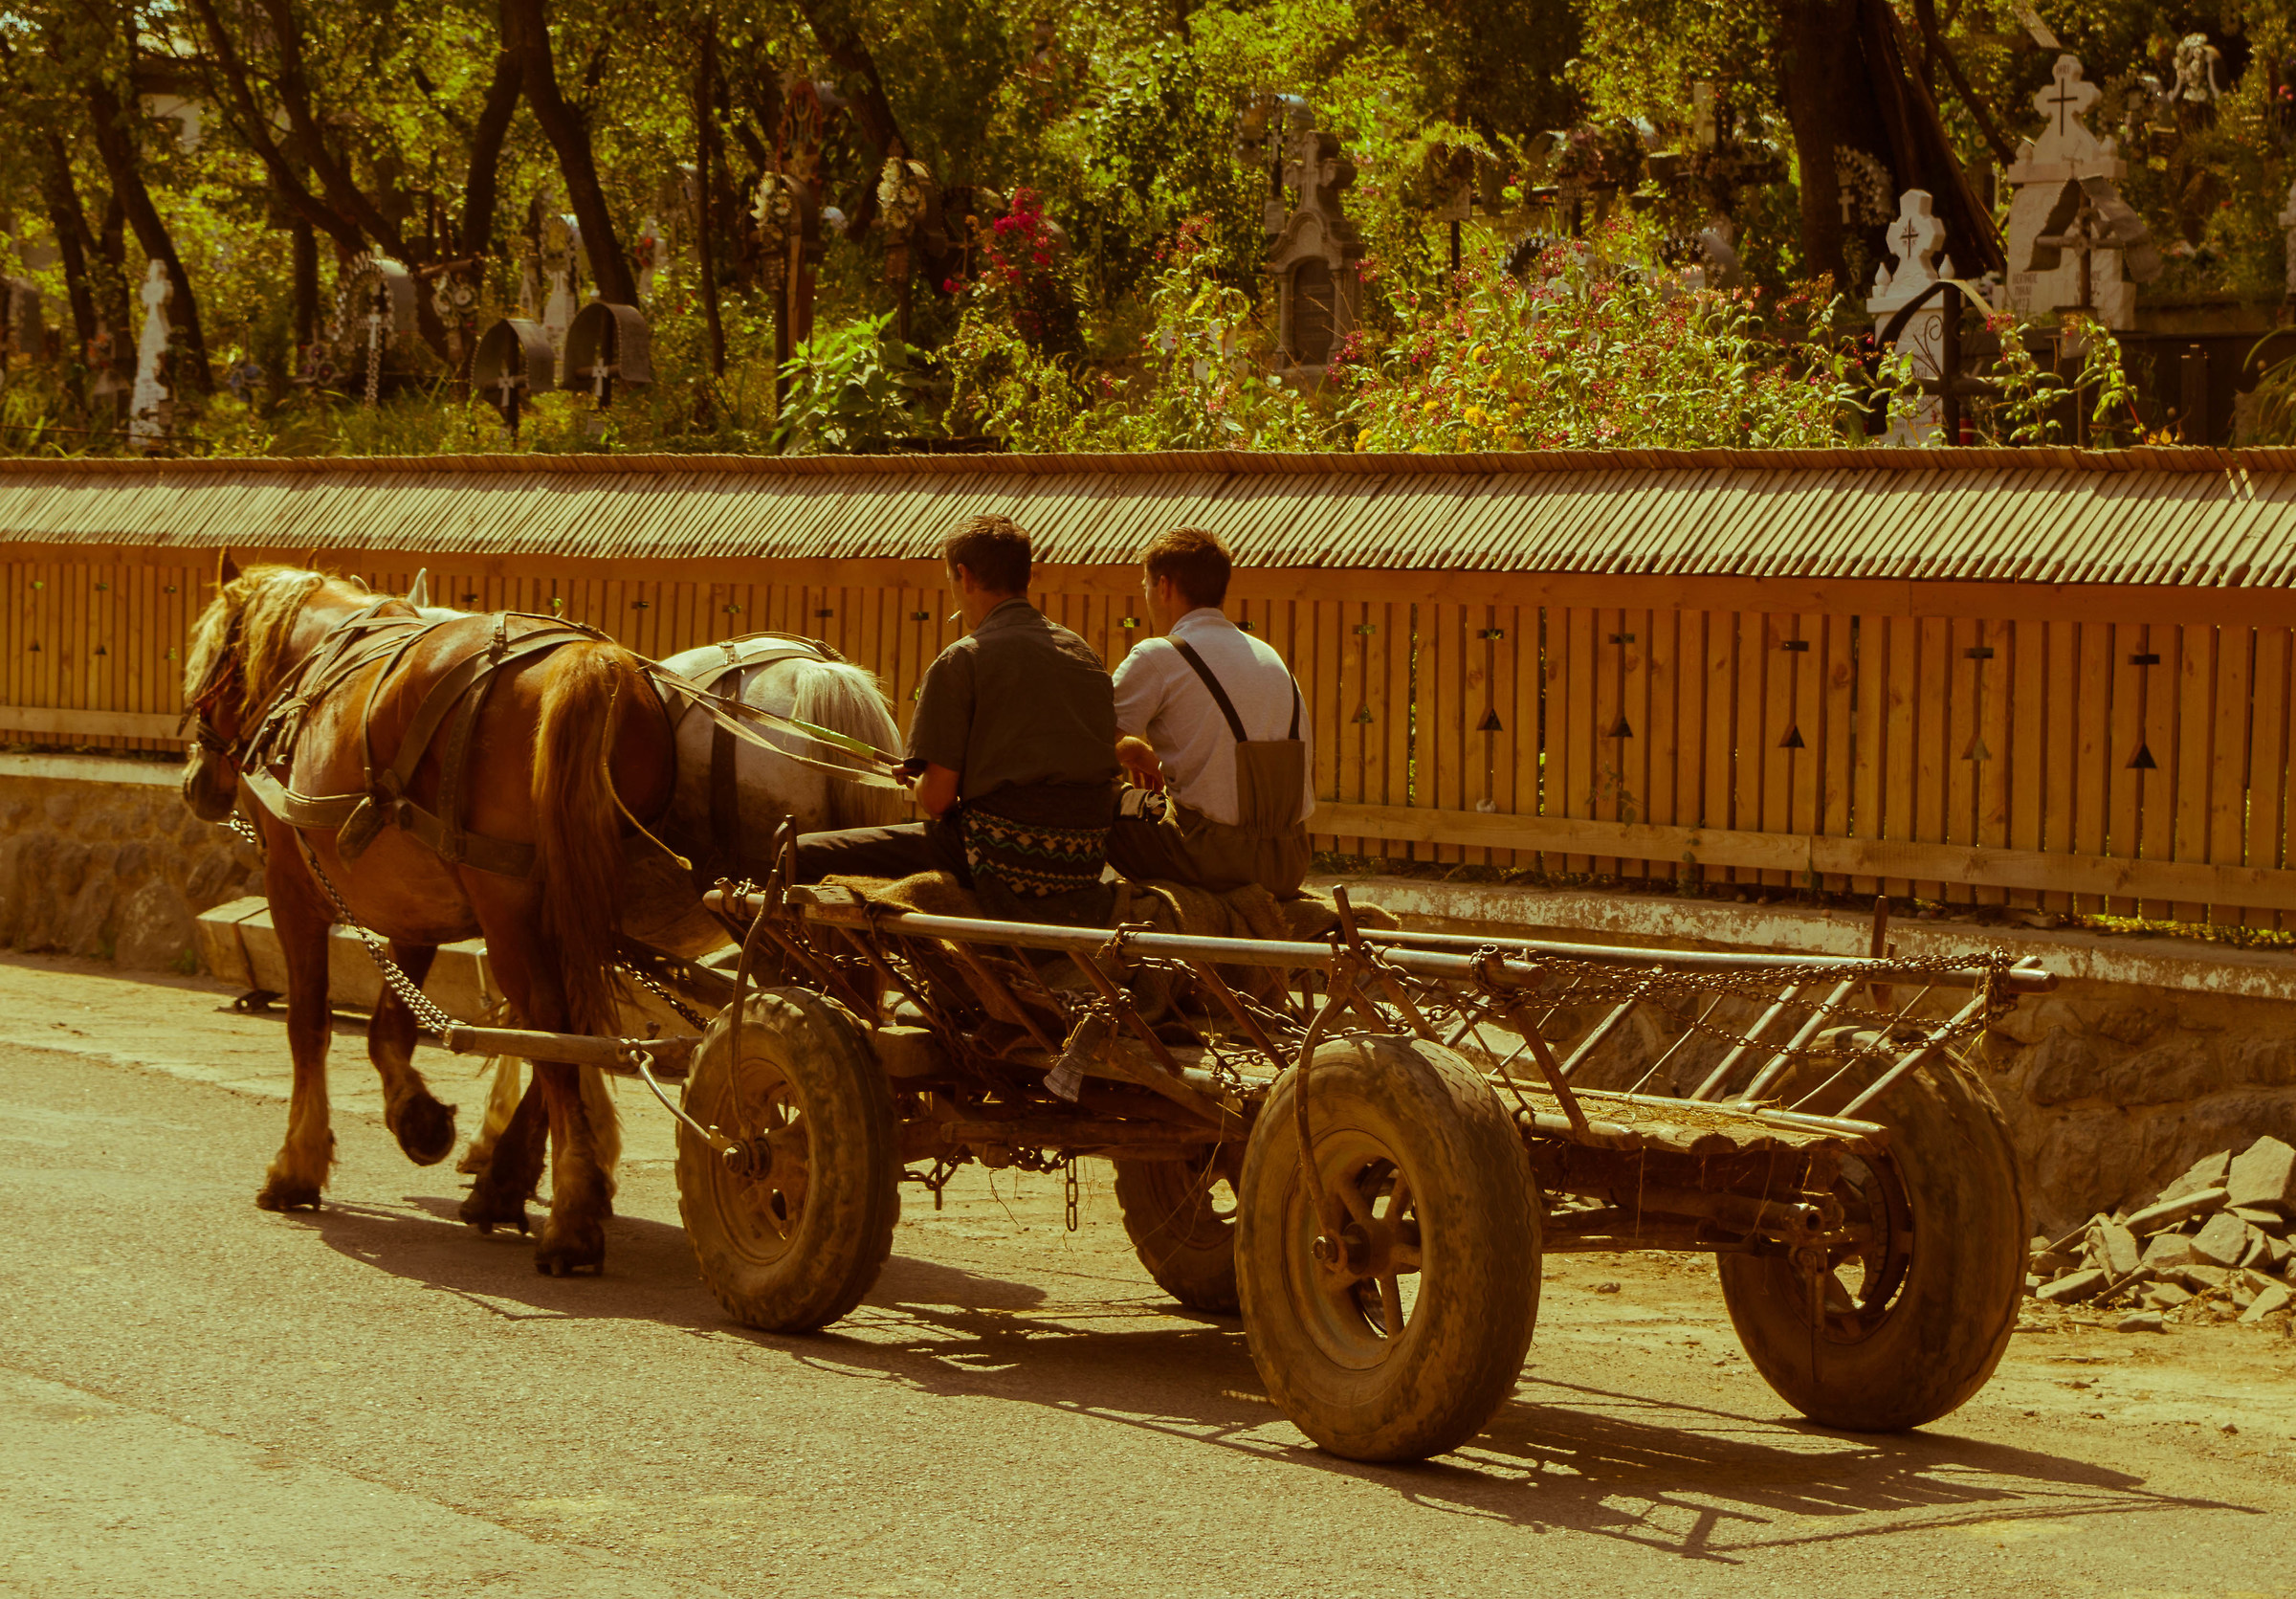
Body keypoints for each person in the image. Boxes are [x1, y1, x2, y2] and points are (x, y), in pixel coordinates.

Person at [793, 514, 1117, 915]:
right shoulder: (1083, 653)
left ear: (963, 576)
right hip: (1083, 858)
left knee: (794, 852)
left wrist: (920, 784)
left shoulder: (963, 659)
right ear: (1028, 577)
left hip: (1001, 856)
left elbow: (938, 800)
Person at [1106, 526, 1314, 897]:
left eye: (1146, 586)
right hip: (1289, 860)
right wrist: (1141, 753)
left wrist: (1124, 751)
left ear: (1164, 587)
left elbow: (1085, 745)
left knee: (1103, 798)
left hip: (1213, 860)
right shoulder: (1269, 657)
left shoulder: (1159, 655)